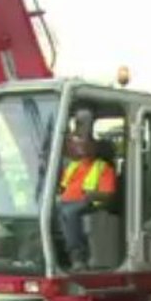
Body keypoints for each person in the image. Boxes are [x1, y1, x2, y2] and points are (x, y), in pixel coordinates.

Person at [56, 110, 116, 271]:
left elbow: (108, 195)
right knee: (49, 211)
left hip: (90, 203)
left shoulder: (104, 168)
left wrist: (90, 195)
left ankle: (78, 257)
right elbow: (63, 187)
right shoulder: (74, 165)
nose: (80, 145)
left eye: (85, 142)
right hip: (67, 201)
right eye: (79, 141)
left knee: (70, 213)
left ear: (95, 147)